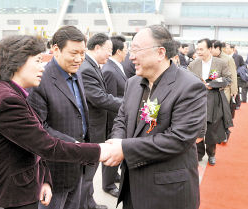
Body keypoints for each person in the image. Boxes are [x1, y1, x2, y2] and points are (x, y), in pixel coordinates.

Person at [0, 35, 109, 209]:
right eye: (38, 60)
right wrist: (100, 151)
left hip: (24, 191)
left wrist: (45, 179)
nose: (42, 67)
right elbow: (47, 145)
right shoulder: (7, 102)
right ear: (17, 62)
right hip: (12, 199)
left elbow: (32, 142)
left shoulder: (13, 94)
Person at [102, 25, 207, 209]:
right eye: (130, 50)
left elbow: (178, 139)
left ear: (160, 53)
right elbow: (121, 119)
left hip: (167, 193)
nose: (130, 56)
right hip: (132, 188)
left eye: (136, 50)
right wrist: (116, 142)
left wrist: (124, 149)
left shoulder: (190, 86)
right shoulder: (133, 83)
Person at [27, 26, 90, 209]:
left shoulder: (77, 74)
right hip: (53, 172)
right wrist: (76, 146)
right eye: (73, 53)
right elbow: (40, 127)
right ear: (55, 49)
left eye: (83, 53)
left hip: (76, 166)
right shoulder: (41, 79)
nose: (79, 59)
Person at [78, 33, 122, 209]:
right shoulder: (87, 68)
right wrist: (129, 104)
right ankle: (85, 205)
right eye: (108, 50)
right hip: (91, 129)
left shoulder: (93, 66)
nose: (109, 55)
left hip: (97, 127)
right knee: (87, 173)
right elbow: (100, 99)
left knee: (89, 173)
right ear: (97, 48)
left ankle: (88, 203)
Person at [188, 38, 232, 165]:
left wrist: (213, 84)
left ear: (209, 49)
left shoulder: (221, 63)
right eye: (197, 49)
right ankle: (199, 154)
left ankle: (212, 153)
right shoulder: (193, 64)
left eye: (201, 49)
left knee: (212, 129)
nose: (199, 52)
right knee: (198, 127)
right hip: (197, 100)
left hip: (214, 99)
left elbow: (228, 78)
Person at [101, 35, 128, 198]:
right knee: (112, 149)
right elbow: (109, 99)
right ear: (119, 51)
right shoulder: (110, 70)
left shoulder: (117, 66)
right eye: (126, 50)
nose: (128, 53)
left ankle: (113, 176)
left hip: (119, 116)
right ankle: (108, 184)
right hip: (113, 119)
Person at [226, 44, 246, 109]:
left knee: (235, 88)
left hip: (236, 75)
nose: (226, 49)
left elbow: (243, 65)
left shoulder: (238, 57)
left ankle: (237, 104)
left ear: (232, 49)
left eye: (228, 48)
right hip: (227, 76)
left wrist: (239, 70)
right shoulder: (225, 57)